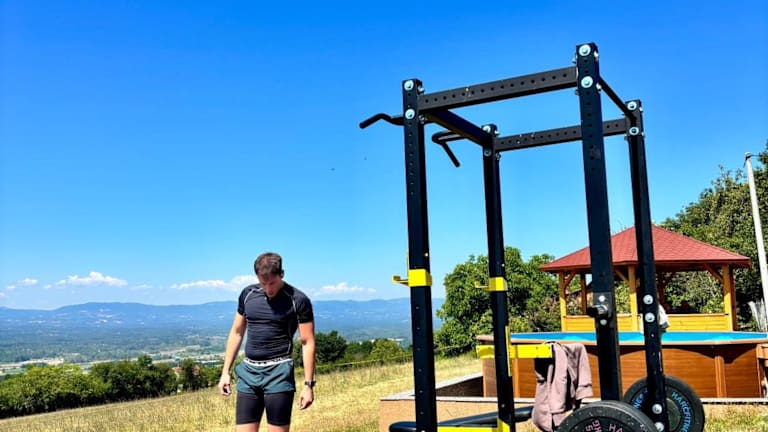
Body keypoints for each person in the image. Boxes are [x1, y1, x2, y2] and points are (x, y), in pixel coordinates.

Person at [218, 252, 316, 432]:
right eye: (263, 284)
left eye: (272, 283)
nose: (268, 289)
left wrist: (308, 385)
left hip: (279, 373)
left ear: (282, 274)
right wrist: (225, 372)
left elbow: (307, 342)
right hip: (248, 373)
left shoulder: (298, 300)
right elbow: (237, 332)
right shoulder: (247, 294)